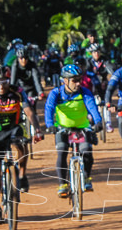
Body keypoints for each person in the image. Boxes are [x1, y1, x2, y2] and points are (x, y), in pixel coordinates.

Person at [0, 67, 42, 223]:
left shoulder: (18, 91)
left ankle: (22, 174)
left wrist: (37, 130)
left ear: (9, 81)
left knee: (21, 145)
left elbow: (29, 112)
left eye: (4, 82)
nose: (1, 86)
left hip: (14, 128)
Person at [44, 64, 104, 197]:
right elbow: (49, 109)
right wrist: (50, 124)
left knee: (87, 152)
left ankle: (87, 178)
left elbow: (92, 107)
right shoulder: (56, 93)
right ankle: (63, 184)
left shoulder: (84, 92)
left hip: (83, 127)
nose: (78, 83)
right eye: (74, 80)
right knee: (62, 152)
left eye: (79, 80)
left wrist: (98, 121)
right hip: (62, 128)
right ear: (65, 81)